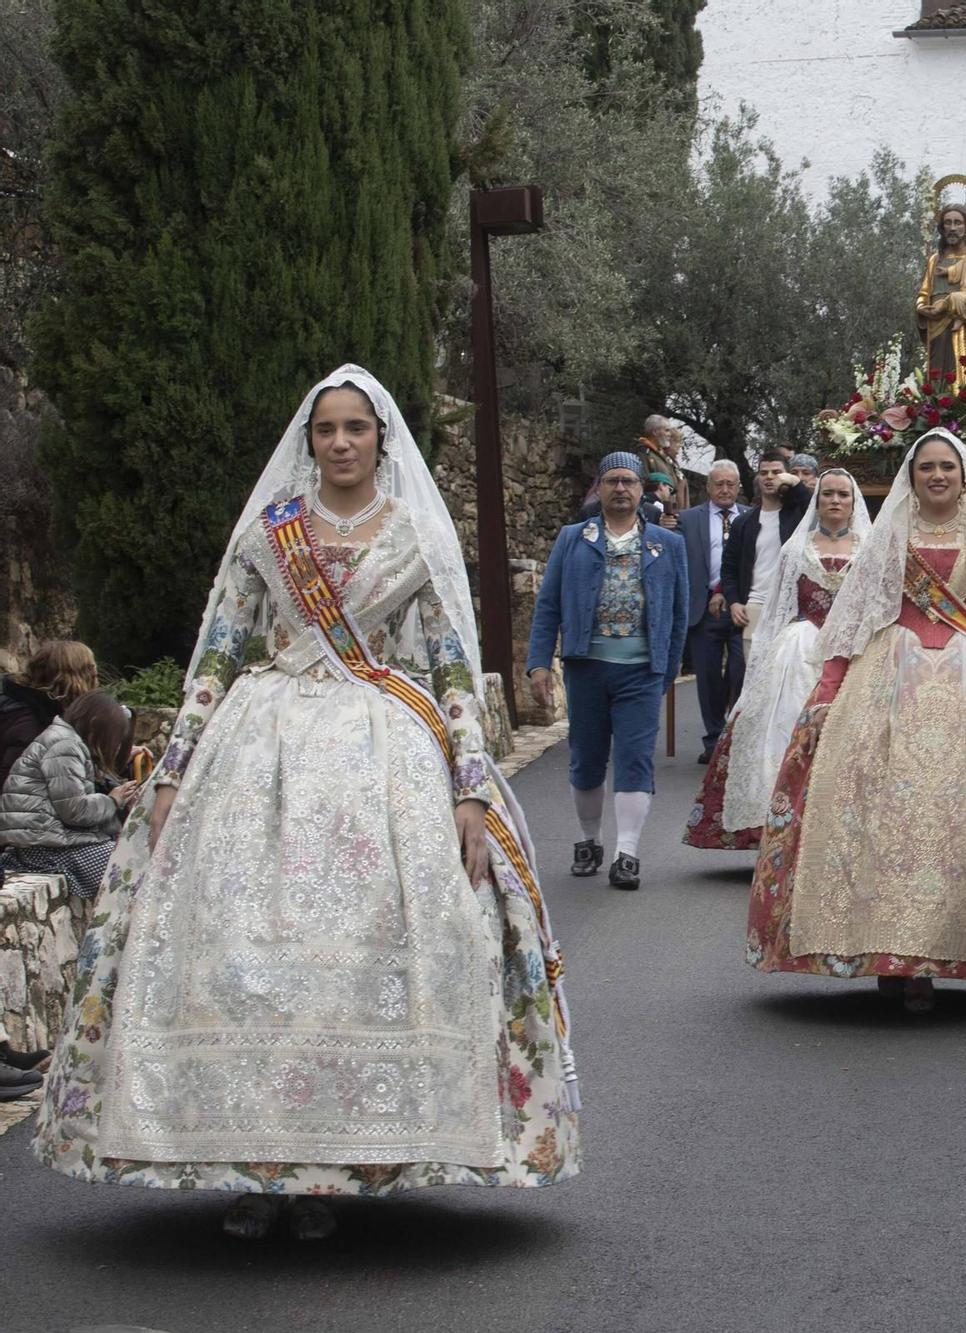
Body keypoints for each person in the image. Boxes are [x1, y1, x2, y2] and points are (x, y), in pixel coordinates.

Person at [35, 366, 579, 1239]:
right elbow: (216, 655)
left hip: (383, 754)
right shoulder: (270, 534)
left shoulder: (411, 539)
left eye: (355, 427)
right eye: (326, 428)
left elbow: (449, 671)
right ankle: (257, 1169)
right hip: (260, 751)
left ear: (379, 439)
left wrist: (471, 787)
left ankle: (334, 1169)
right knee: (254, 959)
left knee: (358, 960)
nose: (339, 442)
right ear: (309, 440)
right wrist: (173, 771)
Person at [746, 430, 966, 1015]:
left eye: (947, 466)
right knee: (882, 819)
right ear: (912, 474)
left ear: (964, 473)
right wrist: (825, 696)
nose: (937, 476)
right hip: (888, 677)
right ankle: (896, 956)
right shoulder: (887, 540)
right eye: (926, 467)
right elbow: (849, 625)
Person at [527, 451, 689, 891]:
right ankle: (589, 840)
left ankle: (627, 853)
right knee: (587, 759)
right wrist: (539, 662)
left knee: (635, 758)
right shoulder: (572, 538)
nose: (621, 488)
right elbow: (548, 605)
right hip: (586, 667)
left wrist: (667, 668)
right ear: (598, 488)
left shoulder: (667, 544)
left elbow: (678, 612)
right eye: (612, 481)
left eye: (629, 482)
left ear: (642, 490)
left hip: (641, 671)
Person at [686, 471, 869, 850]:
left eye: (843, 495)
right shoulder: (796, 549)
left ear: (854, 502)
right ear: (816, 501)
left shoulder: (871, 549)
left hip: (851, 649)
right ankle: (778, 830)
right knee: (780, 731)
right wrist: (762, 666)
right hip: (799, 648)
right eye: (828, 494)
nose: (835, 500)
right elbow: (777, 609)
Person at [0, 690, 137, 901]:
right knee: (129, 868)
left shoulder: (65, 741)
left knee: (132, 861)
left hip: (50, 844)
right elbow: (75, 810)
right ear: (96, 726)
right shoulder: (64, 745)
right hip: (46, 851)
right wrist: (113, 800)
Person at [683, 460, 752, 762]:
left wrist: (728, 592)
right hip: (702, 607)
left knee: (740, 670)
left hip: (742, 607)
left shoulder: (753, 519)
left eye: (730, 484)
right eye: (718, 484)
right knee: (708, 676)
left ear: (739, 487)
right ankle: (713, 741)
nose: (725, 490)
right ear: (708, 487)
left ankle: (734, 735)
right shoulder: (687, 520)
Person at [722, 453, 809, 649]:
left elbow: (816, 510)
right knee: (749, 677)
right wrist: (734, 602)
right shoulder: (743, 522)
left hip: (790, 609)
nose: (770, 477)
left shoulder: (799, 516)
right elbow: (729, 568)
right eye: (764, 473)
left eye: (777, 472)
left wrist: (796, 484)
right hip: (753, 608)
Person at [0, 640, 98, 792]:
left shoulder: (32, 705)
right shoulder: (32, 724)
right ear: (76, 679)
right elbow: (14, 789)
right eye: (91, 672)